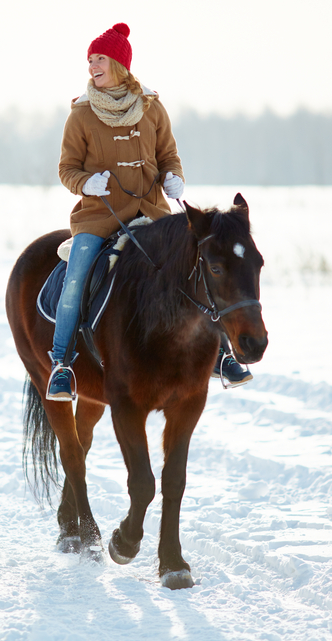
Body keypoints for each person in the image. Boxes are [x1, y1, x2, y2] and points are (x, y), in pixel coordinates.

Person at [48, 23, 251, 401]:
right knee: (75, 279)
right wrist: (86, 183)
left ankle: (222, 355)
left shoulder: (152, 108)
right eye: (90, 59)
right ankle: (62, 365)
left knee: (200, 267)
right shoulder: (81, 114)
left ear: (120, 65)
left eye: (100, 59)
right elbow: (66, 169)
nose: (92, 65)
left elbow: (169, 156)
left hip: (154, 213)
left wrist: (174, 177)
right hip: (99, 218)